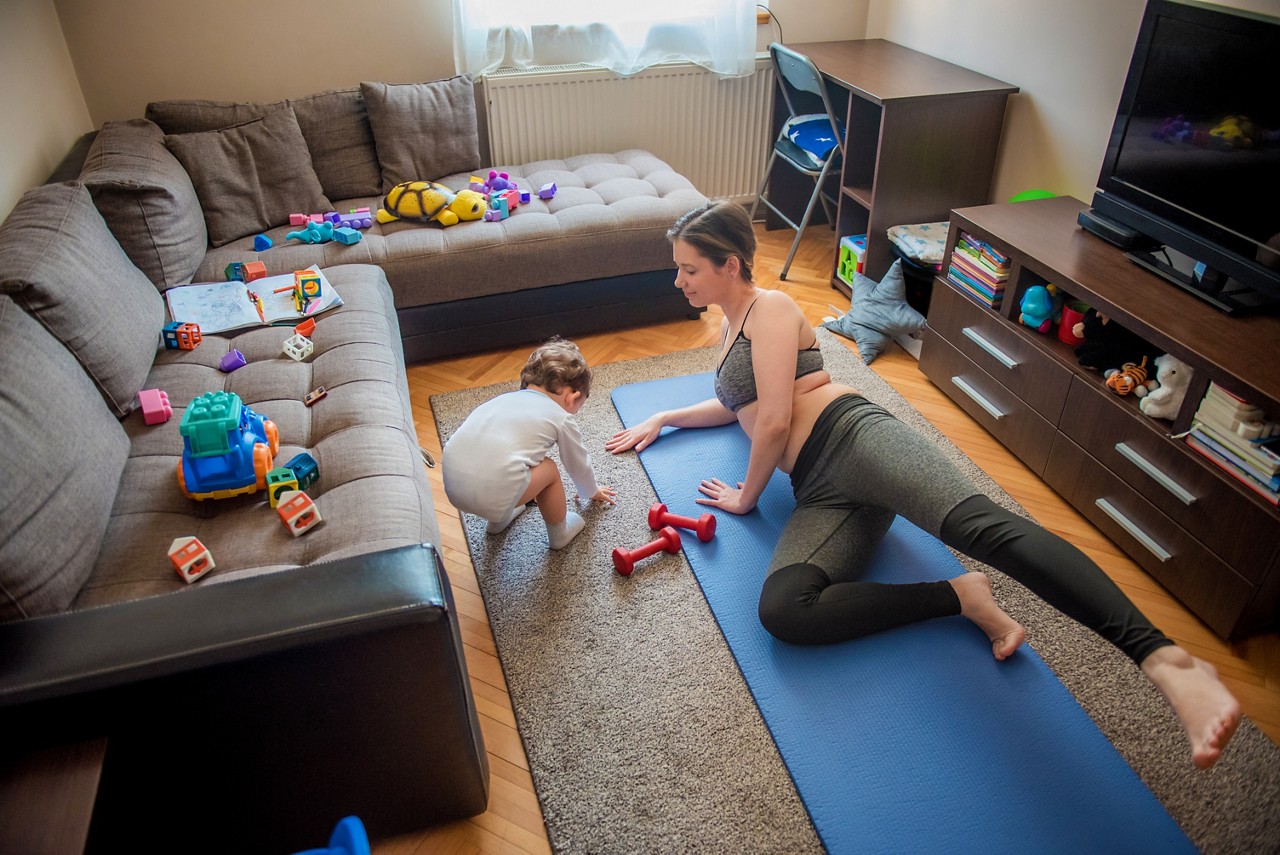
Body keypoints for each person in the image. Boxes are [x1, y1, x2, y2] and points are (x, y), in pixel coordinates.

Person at [605, 200, 1242, 770]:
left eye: (689, 268)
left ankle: (1166, 661)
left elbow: (772, 419)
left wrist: (746, 496)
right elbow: (739, 404)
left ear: (732, 263)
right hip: (823, 490)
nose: (680, 280)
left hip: (856, 439)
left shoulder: (771, 307)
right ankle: (959, 596)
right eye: (679, 268)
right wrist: (665, 417)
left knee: (985, 529)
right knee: (784, 611)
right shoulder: (728, 325)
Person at [445, 337, 616, 549]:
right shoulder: (561, 417)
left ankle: (496, 521)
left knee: (514, 455)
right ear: (573, 397)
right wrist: (591, 490)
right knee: (549, 469)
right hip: (494, 494)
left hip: (454, 488)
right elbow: (577, 463)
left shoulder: (503, 400)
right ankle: (559, 534)